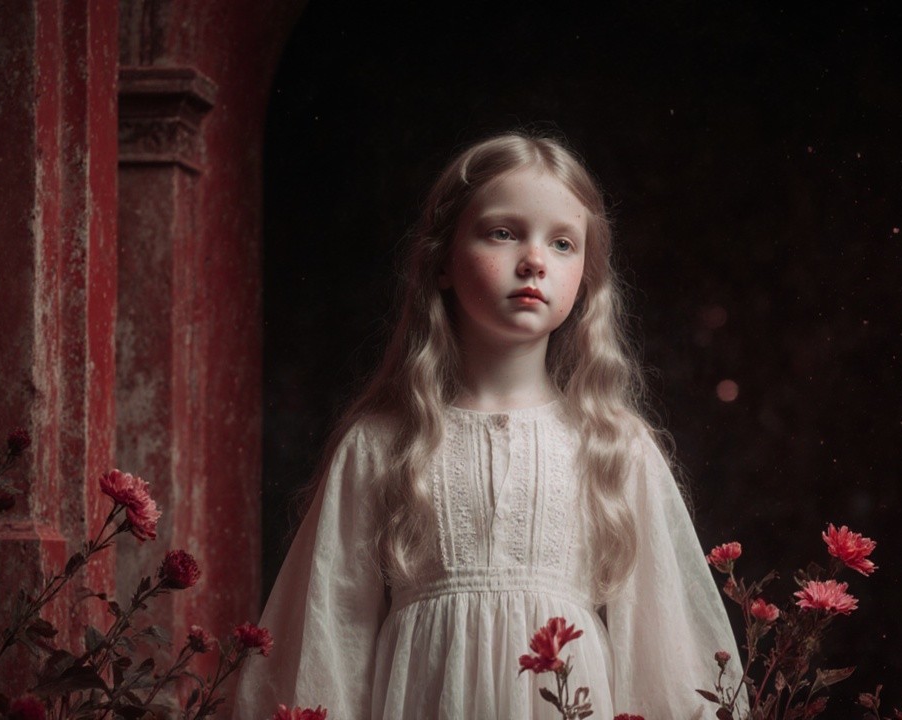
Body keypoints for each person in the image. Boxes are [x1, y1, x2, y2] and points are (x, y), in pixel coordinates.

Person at [231, 133, 746, 719]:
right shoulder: (381, 444)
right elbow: (328, 643)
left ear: (585, 279)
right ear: (443, 261)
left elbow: (665, 652)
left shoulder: (613, 446)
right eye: (504, 233)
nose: (534, 260)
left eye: (561, 243)